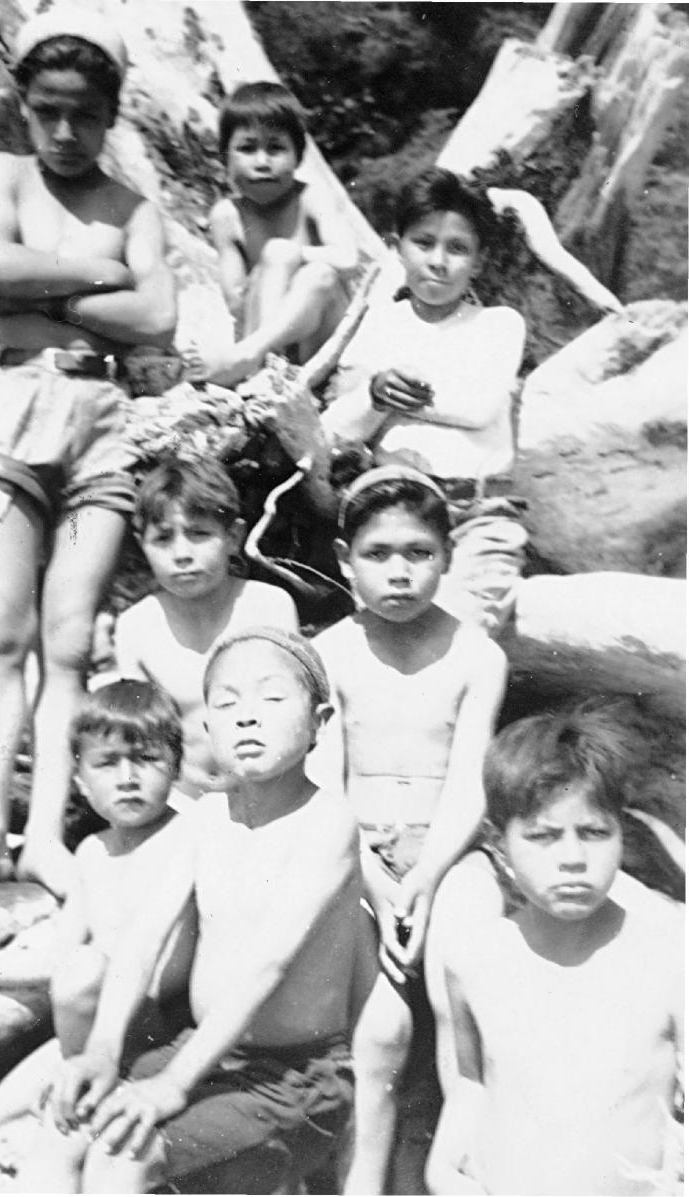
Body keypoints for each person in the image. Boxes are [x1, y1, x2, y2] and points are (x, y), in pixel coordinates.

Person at [15, 628, 360, 1195]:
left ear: (320, 723)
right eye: (227, 704)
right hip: (205, 1053)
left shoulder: (325, 824)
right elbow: (144, 937)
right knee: (60, 1137)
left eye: (271, 699)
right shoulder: (206, 820)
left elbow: (265, 969)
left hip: (296, 1075)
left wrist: (174, 1083)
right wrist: (103, 1048)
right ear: (207, 731)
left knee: (121, 1157)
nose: (247, 717)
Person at [0, 6, 178, 896]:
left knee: (68, 642)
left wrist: (48, 292)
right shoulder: (2, 178)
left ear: (113, 115)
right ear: (22, 105)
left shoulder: (133, 206)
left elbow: (157, 317)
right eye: (47, 112)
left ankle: (42, 839)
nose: (65, 132)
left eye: (86, 115)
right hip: (13, 406)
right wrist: (101, 276)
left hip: (101, 423)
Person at [311, 466, 508, 1195]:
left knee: (459, 978)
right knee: (379, 1024)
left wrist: (423, 878)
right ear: (343, 558)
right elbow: (327, 785)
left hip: (448, 850)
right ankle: (360, 1181)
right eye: (379, 553)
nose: (399, 571)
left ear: (448, 555)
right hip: (351, 849)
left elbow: (468, 780)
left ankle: (462, 1165)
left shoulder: (475, 654)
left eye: (419, 552)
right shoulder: (330, 652)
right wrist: (373, 874)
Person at [426, 705, 684, 1197]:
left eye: (593, 833)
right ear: (500, 845)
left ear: (621, 834)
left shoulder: (669, 960)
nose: (571, 859)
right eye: (542, 836)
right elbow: (472, 1085)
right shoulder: (475, 959)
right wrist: (443, 1171)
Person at [322, 167, 528, 633]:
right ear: (397, 246)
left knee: (462, 630)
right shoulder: (378, 323)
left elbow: (478, 407)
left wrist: (393, 394)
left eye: (458, 248)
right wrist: (373, 396)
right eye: (423, 242)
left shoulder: (498, 325)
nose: (439, 261)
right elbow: (337, 430)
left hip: (474, 516)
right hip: (394, 514)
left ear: (479, 261)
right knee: (388, 634)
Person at [0, 680, 195, 1132]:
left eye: (146, 759)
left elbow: (124, 957)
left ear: (176, 767)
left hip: (161, 1023)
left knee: (85, 971)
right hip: (91, 1026)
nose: (127, 778)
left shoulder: (186, 836)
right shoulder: (91, 852)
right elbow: (62, 958)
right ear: (81, 781)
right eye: (107, 763)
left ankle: (79, 1105)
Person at [114, 457, 300, 805]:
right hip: (177, 800)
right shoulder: (137, 626)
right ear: (142, 544)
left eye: (199, 534)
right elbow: (139, 735)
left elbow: (296, 710)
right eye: (163, 538)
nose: (182, 554)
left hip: (272, 793)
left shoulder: (269, 607)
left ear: (233, 537)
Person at [184, 80, 359, 387]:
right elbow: (236, 303)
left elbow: (347, 260)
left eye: (276, 148)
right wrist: (270, 270)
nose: (262, 162)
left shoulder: (311, 197)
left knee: (317, 273)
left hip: (322, 335)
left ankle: (254, 359)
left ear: (298, 156)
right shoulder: (227, 215)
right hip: (263, 332)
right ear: (225, 156)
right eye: (247, 149)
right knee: (276, 257)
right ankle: (264, 365)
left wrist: (291, 255)